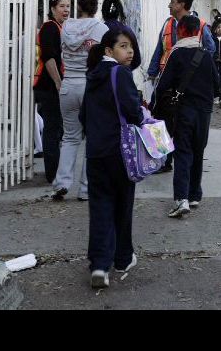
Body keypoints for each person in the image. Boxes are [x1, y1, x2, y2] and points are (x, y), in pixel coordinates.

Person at [80, 28, 143, 288]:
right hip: (120, 152)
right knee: (122, 204)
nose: (129, 52)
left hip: (95, 152)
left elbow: (83, 115)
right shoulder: (120, 74)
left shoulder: (94, 76)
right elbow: (133, 112)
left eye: (131, 47)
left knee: (100, 206)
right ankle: (122, 258)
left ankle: (99, 265)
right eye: (124, 46)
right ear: (109, 51)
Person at [154, 15, 220, 217]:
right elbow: (217, 86)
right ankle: (194, 194)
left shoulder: (176, 54)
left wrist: (155, 107)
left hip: (183, 111)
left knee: (183, 152)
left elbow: (162, 85)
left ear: (180, 31)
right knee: (198, 151)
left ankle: (181, 198)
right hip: (204, 112)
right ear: (198, 32)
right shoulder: (206, 55)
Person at [146, 0, 215, 173]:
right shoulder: (167, 25)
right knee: (161, 122)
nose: (169, 5)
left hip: (188, 88)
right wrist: (152, 73)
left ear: (182, 5)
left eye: (173, 1)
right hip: (167, 83)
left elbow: (210, 50)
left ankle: (182, 158)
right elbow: (159, 50)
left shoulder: (200, 25)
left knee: (182, 126)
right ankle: (163, 160)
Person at [51, 0, 108, 201]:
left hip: (68, 85)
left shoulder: (66, 26)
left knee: (69, 137)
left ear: (78, 7)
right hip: (89, 86)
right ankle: (85, 189)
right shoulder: (101, 29)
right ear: (95, 8)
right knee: (92, 138)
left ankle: (62, 183)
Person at [33, 0, 69, 184]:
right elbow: (49, 57)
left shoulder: (60, 28)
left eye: (68, 6)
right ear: (53, 9)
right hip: (48, 86)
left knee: (56, 129)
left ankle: (54, 170)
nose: (66, 9)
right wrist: (57, 82)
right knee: (52, 129)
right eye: (62, 6)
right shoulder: (49, 27)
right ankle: (52, 173)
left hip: (54, 85)